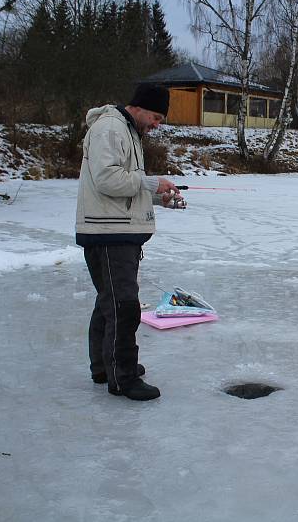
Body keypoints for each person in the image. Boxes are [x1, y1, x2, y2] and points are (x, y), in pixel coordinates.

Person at [75, 83, 185, 401]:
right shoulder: (110, 128)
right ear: (138, 107)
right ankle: (122, 377)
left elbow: (127, 185)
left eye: (161, 119)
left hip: (117, 231)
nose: (157, 124)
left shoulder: (127, 130)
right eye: (156, 116)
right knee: (123, 306)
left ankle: (104, 366)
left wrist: (160, 198)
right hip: (107, 234)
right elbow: (107, 179)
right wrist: (152, 182)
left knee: (109, 302)